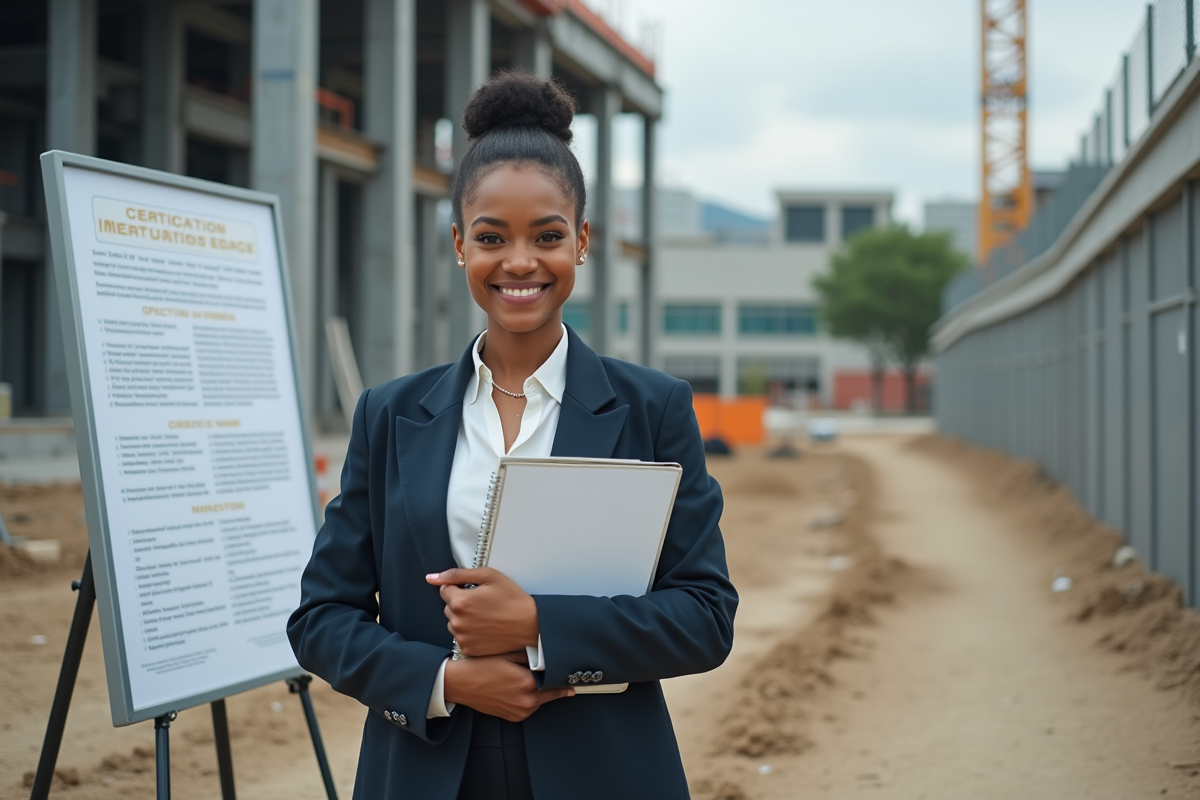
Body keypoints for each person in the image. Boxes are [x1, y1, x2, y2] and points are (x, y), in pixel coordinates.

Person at [287, 71, 737, 800]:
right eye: (492, 237)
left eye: (548, 236)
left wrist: (537, 625)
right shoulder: (388, 416)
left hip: (602, 770)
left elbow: (705, 617)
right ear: (460, 244)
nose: (520, 262)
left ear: (583, 242)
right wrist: (445, 681)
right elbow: (321, 619)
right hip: (425, 770)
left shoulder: (653, 409)